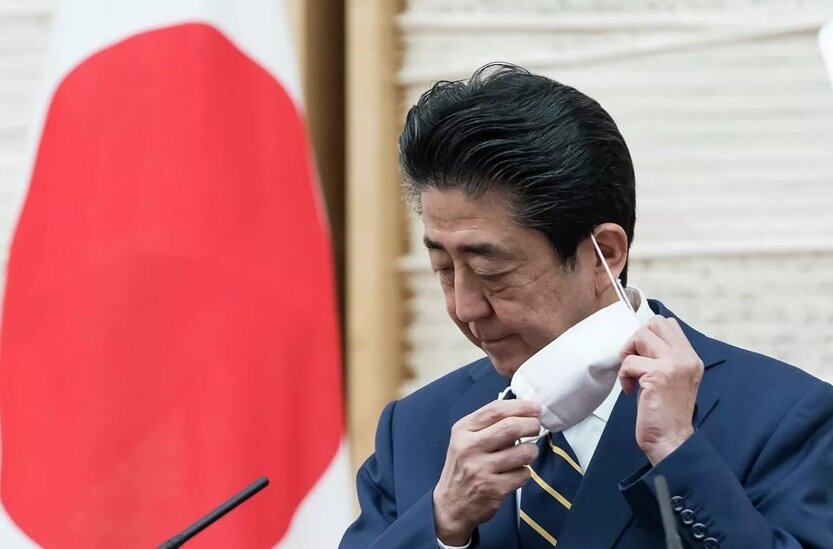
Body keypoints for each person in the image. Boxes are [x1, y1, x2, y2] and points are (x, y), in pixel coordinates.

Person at [339, 63, 833, 548]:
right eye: (444, 270)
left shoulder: (783, 418)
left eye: (491, 272)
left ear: (605, 254)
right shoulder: (414, 430)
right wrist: (443, 522)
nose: (465, 308)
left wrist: (678, 457)